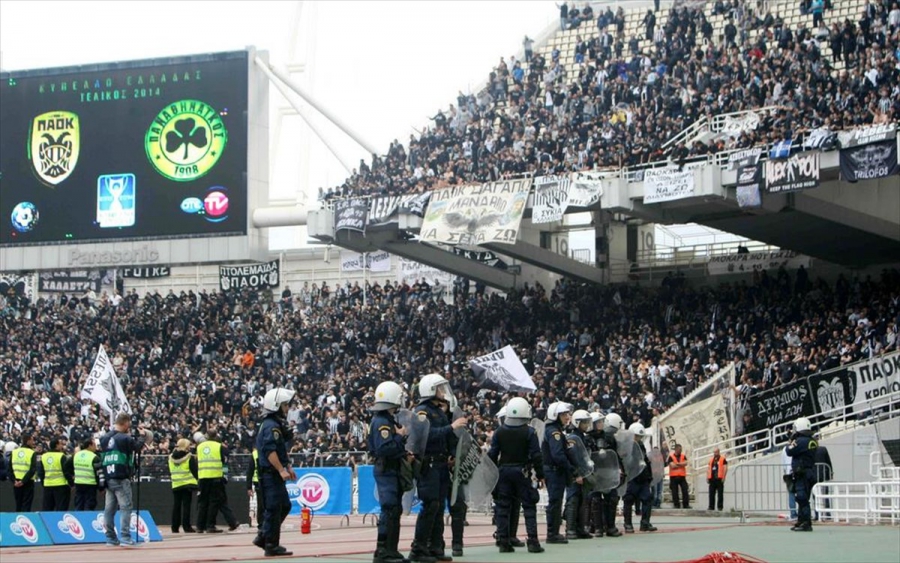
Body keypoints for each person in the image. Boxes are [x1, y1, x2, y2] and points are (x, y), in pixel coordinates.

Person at [409, 373, 465, 563]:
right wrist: (451, 427)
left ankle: (435, 547)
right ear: (431, 390)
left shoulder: (439, 411)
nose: (443, 392)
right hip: (429, 465)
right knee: (430, 505)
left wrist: (452, 453)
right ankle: (418, 548)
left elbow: (446, 437)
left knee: (439, 507)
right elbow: (426, 435)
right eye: (440, 388)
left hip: (441, 464)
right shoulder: (422, 411)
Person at [488, 397, 544, 554]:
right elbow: (536, 455)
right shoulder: (530, 432)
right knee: (528, 506)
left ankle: (503, 541)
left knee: (503, 507)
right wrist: (540, 475)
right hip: (522, 472)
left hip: (503, 472)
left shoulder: (499, 431)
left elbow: (492, 454)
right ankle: (533, 541)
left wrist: (492, 474)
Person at [369, 380, 411, 563]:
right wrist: (400, 437)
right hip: (387, 469)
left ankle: (391, 550)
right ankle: (384, 551)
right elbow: (384, 448)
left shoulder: (386, 420)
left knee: (394, 509)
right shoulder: (382, 423)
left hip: (391, 469)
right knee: (390, 509)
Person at [254, 387, 297, 557]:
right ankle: (270, 544)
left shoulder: (275, 425)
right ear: (277, 405)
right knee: (273, 508)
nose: (287, 409)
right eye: (285, 405)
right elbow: (270, 451)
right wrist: (281, 469)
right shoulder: (271, 426)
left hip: (274, 474)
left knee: (284, 505)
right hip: (270, 474)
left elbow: (280, 450)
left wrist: (288, 466)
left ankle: (265, 536)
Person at [100, 413, 149, 547]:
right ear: (126, 423)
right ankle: (125, 537)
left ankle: (110, 538)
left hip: (108, 476)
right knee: (126, 507)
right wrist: (143, 436)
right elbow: (137, 447)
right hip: (121, 476)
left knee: (109, 509)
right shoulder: (124, 438)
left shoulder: (104, 438)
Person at [542, 401, 575, 544]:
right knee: (555, 502)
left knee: (556, 501)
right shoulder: (554, 432)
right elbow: (558, 455)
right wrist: (570, 467)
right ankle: (552, 533)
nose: (567, 417)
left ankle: (554, 532)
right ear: (556, 415)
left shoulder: (555, 430)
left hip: (554, 471)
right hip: (555, 472)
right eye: (563, 414)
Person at [492, 408, 524, 548]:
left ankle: (509, 535)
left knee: (512, 505)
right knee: (505, 506)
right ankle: (503, 534)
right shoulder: (500, 433)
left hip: (504, 472)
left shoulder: (502, 433)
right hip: (504, 472)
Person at [195, 428, 237, 533]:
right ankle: (210, 525)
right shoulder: (219, 446)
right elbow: (227, 456)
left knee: (203, 502)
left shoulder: (199, 447)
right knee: (214, 502)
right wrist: (225, 472)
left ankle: (200, 526)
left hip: (203, 477)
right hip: (215, 477)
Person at [589, 412, 622, 538]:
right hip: (595, 472)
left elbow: (615, 454)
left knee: (612, 498)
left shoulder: (609, 437)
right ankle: (598, 527)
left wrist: (619, 468)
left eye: (602, 421)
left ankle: (611, 527)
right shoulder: (588, 438)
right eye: (598, 422)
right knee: (596, 499)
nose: (601, 424)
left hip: (608, 471)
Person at [622, 423, 657, 533]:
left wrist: (649, 475)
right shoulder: (626, 447)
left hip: (643, 477)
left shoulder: (641, 446)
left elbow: (645, 460)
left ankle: (645, 523)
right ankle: (628, 524)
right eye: (637, 436)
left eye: (640, 436)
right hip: (632, 478)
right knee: (628, 500)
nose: (639, 438)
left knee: (647, 499)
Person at [564, 409, 593, 540]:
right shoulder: (572, 437)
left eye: (587, 422)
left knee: (583, 500)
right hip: (575, 473)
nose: (587, 425)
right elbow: (573, 457)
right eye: (584, 423)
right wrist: (577, 474)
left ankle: (581, 528)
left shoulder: (582, 437)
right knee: (573, 499)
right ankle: (570, 529)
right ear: (577, 423)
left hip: (584, 472)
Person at [786, 417, 818, 532]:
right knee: (803, 497)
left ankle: (806, 522)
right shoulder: (812, 440)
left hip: (801, 473)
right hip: (809, 472)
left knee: (802, 498)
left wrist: (791, 440)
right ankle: (801, 520)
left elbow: (789, 451)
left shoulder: (800, 441)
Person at [169, 438, 198, 534]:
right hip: (187, 484)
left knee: (176, 506)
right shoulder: (189, 457)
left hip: (176, 484)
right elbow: (195, 471)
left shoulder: (170, 458)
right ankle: (187, 526)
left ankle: (174, 527)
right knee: (186, 506)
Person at [39, 437, 73, 511]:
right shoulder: (61, 456)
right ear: (57, 445)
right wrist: (71, 483)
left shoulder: (44, 456)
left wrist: (43, 483)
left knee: (47, 509)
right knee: (61, 509)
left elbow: (41, 472)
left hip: (48, 485)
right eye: (60, 444)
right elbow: (66, 471)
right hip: (61, 485)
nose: (62, 446)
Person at [73, 438, 105, 511]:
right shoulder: (94, 457)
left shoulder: (76, 455)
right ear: (90, 445)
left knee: (79, 503)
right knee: (89, 504)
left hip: (78, 483)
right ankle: (87, 520)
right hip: (90, 484)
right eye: (94, 445)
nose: (95, 447)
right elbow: (100, 474)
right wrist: (101, 487)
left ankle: (78, 519)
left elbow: (69, 467)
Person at [11, 435, 37, 512]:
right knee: (26, 505)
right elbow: (32, 469)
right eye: (32, 440)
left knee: (18, 504)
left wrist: (14, 481)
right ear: (28, 441)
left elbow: (10, 468)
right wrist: (23, 481)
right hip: (27, 482)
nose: (33, 442)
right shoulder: (32, 453)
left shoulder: (14, 452)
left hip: (16, 482)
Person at [668, 443, 690, 509]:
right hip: (673, 476)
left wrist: (677, 464)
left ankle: (686, 505)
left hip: (682, 476)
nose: (680, 450)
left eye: (681, 449)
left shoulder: (683, 456)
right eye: (679, 449)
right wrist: (681, 464)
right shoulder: (671, 457)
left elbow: (685, 463)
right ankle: (676, 505)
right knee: (674, 491)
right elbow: (672, 465)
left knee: (685, 490)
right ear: (676, 449)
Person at [247, 447, 264, 530]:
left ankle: (262, 522)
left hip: (262, 481)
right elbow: (250, 471)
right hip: (259, 482)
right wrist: (249, 487)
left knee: (262, 504)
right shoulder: (255, 454)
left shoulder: (255, 454)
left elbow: (249, 472)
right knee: (261, 504)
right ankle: (261, 523)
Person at [781, 445, 798, 521]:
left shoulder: (785, 449)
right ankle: (800, 513)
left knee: (791, 494)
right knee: (801, 493)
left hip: (789, 473)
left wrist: (785, 471)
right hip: (797, 471)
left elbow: (783, 462)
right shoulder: (798, 446)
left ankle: (793, 513)